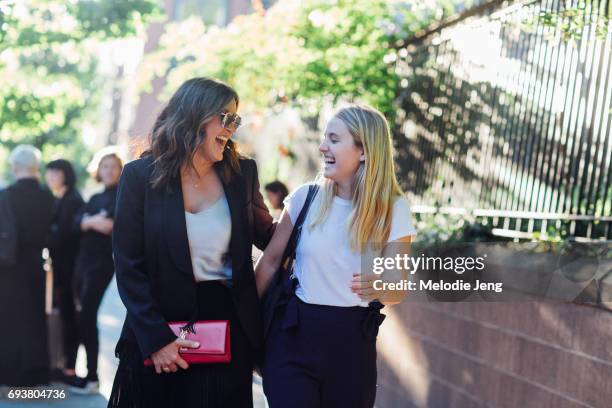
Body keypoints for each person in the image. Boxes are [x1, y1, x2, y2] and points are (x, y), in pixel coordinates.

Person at [108, 77, 274, 408]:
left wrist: (317, 206)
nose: (232, 128)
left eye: (236, 119)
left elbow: (269, 235)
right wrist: (157, 339)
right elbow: (128, 264)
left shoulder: (243, 175)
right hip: (156, 326)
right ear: (196, 115)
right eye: (226, 117)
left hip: (226, 330)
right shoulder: (140, 176)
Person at [256, 105, 417, 408]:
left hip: (352, 346)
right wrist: (246, 325)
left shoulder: (391, 210)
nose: (322, 147)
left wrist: (379, 287)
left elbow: (398, 287)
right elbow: (270, 262)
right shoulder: (307, 198)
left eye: (334, 139)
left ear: (364, 151)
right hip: (293, 337)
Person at [0, 145, 55, 386]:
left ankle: (10, 374)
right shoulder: (48, 195)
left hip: (9, 264)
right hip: (36, 263)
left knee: (9, 317)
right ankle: (36, 374)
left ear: (14, 167)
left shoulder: (6, 194)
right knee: (34, 316)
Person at [69, 150, 123, 394]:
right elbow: (75, 223)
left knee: (88, 315)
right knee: (81, 316)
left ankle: (92, 377)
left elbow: (112, 224)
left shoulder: (122, 197)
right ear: (98, 171)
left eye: (114, 166)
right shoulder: (94, 198)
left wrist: (87, 222)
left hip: (100, 265)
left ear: (121, 170)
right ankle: (81, 372)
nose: (109, 170)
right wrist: (90, 221)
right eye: (105, 166)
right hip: (81, 263)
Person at [45, 159, 85, 386]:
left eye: (55, 173)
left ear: (65, 175)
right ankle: (64, 364)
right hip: (62, 266)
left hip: (71, 268)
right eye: (48, 172)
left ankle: (70, 367)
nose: (50, 177)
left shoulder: (72, 199)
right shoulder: (60, 198)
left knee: (71, 316)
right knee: (66, 314)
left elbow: (63, 236)